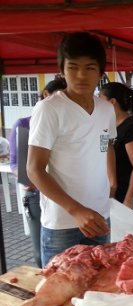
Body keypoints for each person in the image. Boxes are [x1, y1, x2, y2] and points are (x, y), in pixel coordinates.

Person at [27, 32, 117, 266]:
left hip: (99, 217)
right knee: (61, 298)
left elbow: (106, 144)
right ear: (62, 70)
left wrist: (112, 181)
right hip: (63, 223)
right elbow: (34, 169)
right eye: (73, 67)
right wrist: (76, 210)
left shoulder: (106, 108)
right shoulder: (49, 109)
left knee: (98, 293)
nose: (81, 75)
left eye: (89, 68)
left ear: (100, 72)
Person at [8, 77, 67, 268]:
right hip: (35, 193)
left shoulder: (71, 126)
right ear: (44, 96)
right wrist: (26, 177)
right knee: (41, 250)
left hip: (64, 194)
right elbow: (15, 163)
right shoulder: (24, 124)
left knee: (68, 252)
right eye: (49, 97)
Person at [99, 82, 133, 212]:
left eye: (100, 98)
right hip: (107, 193)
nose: (97, 103)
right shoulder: (107, 126)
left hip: (124, 194)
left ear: (112, 102)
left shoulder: (132, 128)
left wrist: (129, 198)